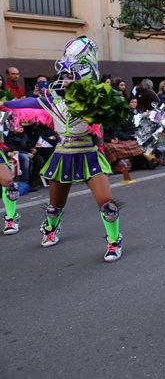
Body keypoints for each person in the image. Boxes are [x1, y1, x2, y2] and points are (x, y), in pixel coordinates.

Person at [1, 37, 126, 261]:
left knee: (107, 205)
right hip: (63, 155)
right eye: (64, 76)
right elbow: (27, 103)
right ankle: (51, 227)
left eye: (71, 76)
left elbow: (115, 106)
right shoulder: (52, 101)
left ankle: (114, 241)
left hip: (89, 155)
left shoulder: (95, 98)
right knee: (54, 207)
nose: (66, 80)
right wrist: (5, 104)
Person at [4, 117, 43, 190]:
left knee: (39, 159)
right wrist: (26, 153)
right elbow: (12, 149)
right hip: (18, 154)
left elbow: (29, 144)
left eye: (21, 126)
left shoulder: (25, 135)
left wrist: (32, 149)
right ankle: (24, 182)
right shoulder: (9, 137)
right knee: (25, 158)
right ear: (12, 129)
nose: (21, 128)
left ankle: (33, 179)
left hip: (27, 153)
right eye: (18, 126)